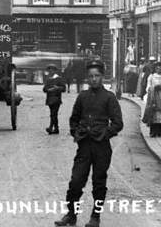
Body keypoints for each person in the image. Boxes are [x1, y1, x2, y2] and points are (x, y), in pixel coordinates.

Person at [53, 60, 123, 227]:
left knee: (99, 183)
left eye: (97, 76)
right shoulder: (82, 97)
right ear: (87, 78)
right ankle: (71, 214)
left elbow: (118, 123)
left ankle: (95, 217)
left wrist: (105, 133)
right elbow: (73, 119)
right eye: (91, 76)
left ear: (102, 77)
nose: (94, 79)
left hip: (101, 148)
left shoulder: (109, 98)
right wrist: (77, 133)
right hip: (84, 146)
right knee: (76, 181)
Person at [141, 62, 161, 137]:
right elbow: (148, 86)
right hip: (153, 96)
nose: (158, 69)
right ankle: (152, 131)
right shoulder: (151, 76)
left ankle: (159, 131)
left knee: (160, 112)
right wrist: (153, 88)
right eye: (157, 68)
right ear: (154, 68)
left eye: (160, 68)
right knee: (153, 111)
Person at [43, 63, 67, 134]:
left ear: (55, 71)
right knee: (53, 114)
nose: (51, 71)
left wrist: (57, 88)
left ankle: (51, 127)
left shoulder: (59, 78)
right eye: (49, 70)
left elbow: (64, 88)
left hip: (56, 99)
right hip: (50, 99)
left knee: (53, 114)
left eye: (52, 70)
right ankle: (56, 129)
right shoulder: (48, 79)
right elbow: (44, 89)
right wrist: (48, 90)